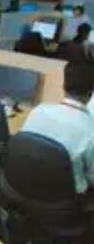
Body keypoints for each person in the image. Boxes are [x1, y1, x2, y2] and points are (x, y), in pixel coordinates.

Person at [22, 62, 94, 195]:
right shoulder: (90, 131)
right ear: (91, 93)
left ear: (63, 87)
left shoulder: (37, 111)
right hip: (66, 199)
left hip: (27, 187)